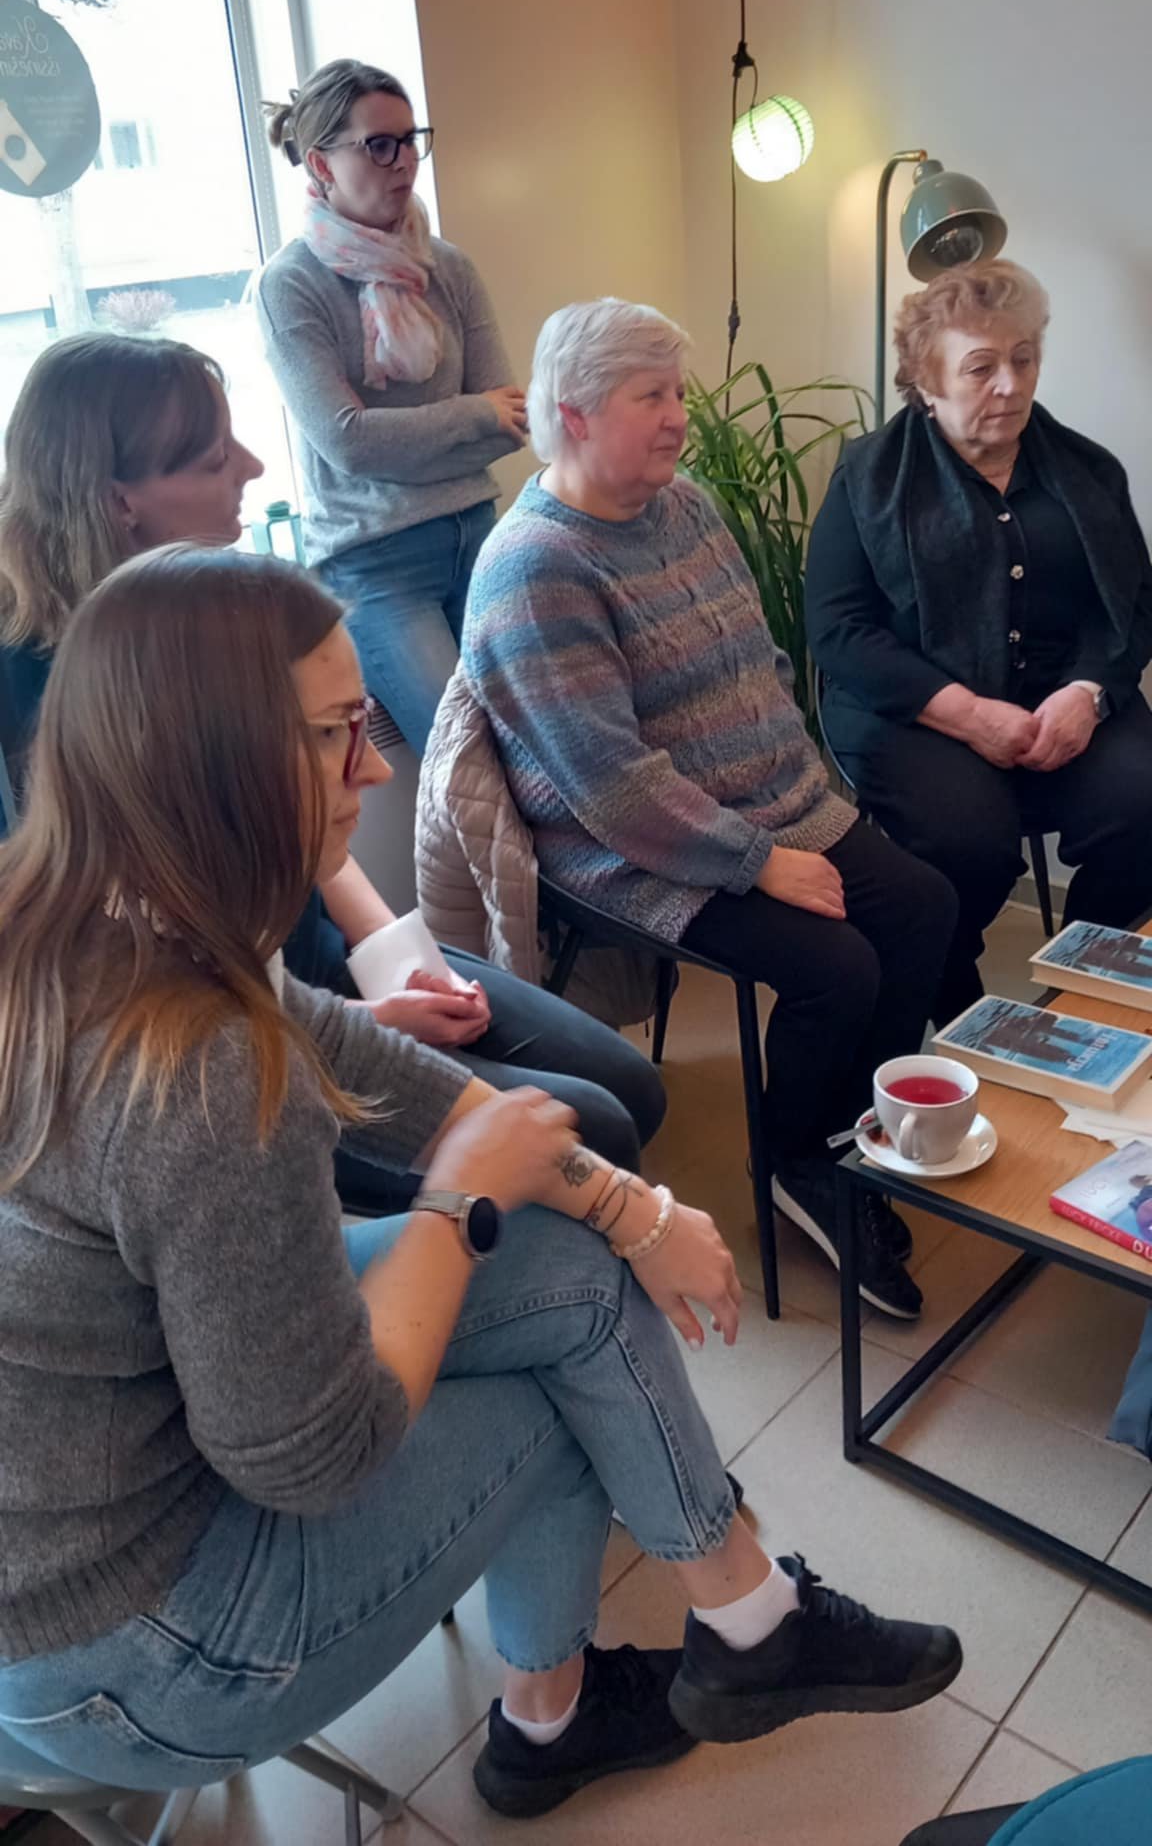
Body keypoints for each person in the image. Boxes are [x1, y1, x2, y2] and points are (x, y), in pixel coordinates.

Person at [0, 548, 963, 1816]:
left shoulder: (100, 909)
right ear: (221, 763)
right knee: (566, 1391)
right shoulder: (199, 1070)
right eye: (341, 733)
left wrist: (634, 1207)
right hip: (130, 1646)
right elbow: (316, 1454)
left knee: (575, 1261)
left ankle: (730, 1629)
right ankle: (623, 1685)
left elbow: (361, 1053)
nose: (375, 770)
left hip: (114, 1461)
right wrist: (456, 1201)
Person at [0, 335, 665, 1184]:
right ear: (119, 501)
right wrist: (367, 1025)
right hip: (226, 1031)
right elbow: (126, 990)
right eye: (214, 460)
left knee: (628, 1087)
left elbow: (318, 829)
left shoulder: (226, 610)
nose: (252, 467)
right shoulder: (28, 693)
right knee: (592, 1130)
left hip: (318, 965)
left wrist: (397, 958)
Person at [462, 298, 960, 1322]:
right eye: (652, 396)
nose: (679, 416)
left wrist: (800, 803)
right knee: (838, 967)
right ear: (575, 415)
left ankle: (850, 1130)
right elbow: (611, 787)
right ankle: (796, 1163)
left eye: (677, 391)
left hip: (768, 803)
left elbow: (759, 662)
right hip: (627, 849)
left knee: (924, 906)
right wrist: (758, 861)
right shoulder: (535, 567)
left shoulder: (682, 505)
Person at [807, 260, 1152, 1022]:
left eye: (1024, 360)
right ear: (926, 384)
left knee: (1143, 803)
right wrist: (966, 714)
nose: (1010, 384)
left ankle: (1084, 1001)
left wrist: (1087, 694)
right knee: (967, 843)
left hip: (1062, 699)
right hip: (916, 710)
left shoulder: (1087, 470)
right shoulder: (867, 479)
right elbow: (839, 631)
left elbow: (1130, 603)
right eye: (982, 367)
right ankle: (959, 1009)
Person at [257, 58, 526, 753]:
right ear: (321, 164)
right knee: (469, 759)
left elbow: (513, 422)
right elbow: (349, 443)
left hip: (480, 534)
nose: (404, 160)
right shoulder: (289, 285)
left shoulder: (447, 265)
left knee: (539, 739)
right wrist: (472, 415)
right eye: (379, 144)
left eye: (410, 139)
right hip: (376, 564)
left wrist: (407, 441)